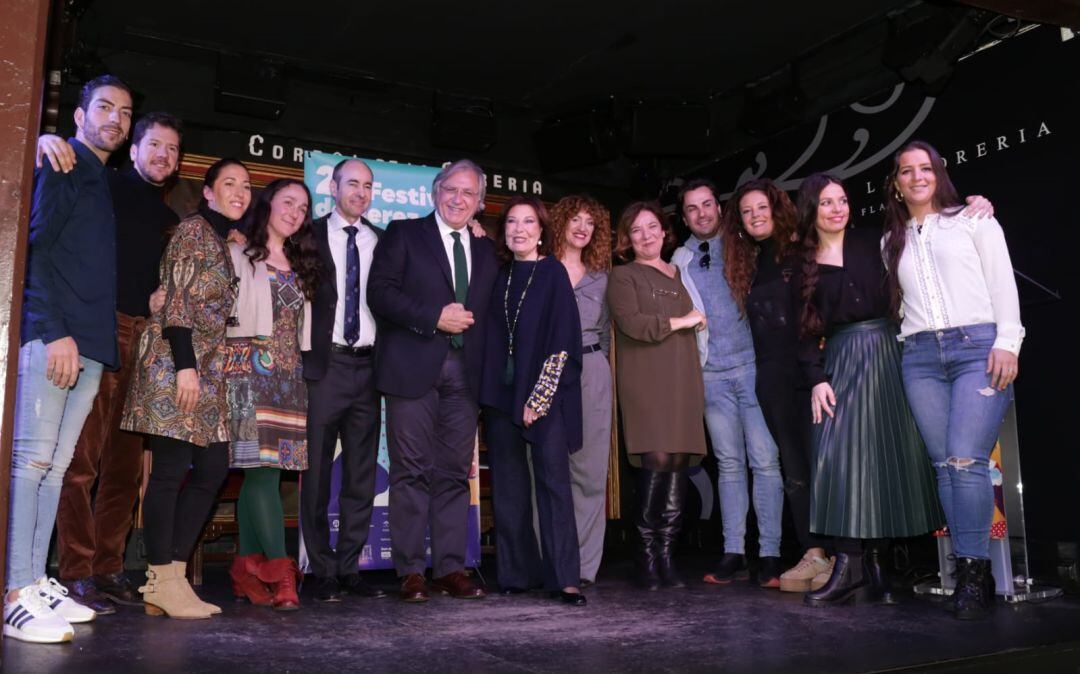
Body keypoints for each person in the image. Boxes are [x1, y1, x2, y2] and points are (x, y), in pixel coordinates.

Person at [35, 112, 183, 615]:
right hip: (102, 330)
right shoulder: (104, 183)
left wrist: (161, 297)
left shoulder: (170, 220)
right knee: (81, 462)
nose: (164, 155)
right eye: (155, 145)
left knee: (123, 467)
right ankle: (74, 571)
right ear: (134, 149)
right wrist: (46, 139)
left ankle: (107, 567)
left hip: (147, 339)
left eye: (173, 150)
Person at [4, 74, 132, 644]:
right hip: (57, 339)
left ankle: (34, 578)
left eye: (125, 113)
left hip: (92, 347)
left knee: (56, 469)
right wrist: (53, 332)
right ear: (78, 116)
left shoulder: (98, 177)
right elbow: (33, 249)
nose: (115, 119)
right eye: (103, 107)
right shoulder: (62, 162)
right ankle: (12, 591)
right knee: (31, 463)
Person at [883, 140, 1023, 619]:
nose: (917, 177)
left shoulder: (974, 220)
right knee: (945, 465)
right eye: (907, 171)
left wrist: (1008, 341)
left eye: (925, 168)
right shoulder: (891, 240)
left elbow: (1002, 280)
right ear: (897, 184)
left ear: (938, 174)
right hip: (919, 355)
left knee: (966, 460)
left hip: (976, 347)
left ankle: (973, 574)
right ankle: (969, 571)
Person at [795, 172, 942, 608]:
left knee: (882, 458)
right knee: (837, 456)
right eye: (826, 202)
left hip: (888, 353)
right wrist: (816, 378)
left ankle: (875, 567)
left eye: (842, 200)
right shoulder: (800, 262)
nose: (837, 208)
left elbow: (927, 228)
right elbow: (801, 332)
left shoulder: (875, 242)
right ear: (811, 209)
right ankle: (849, 562)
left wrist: (974, 206)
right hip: (840, 358)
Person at [120, 158, 249, 619]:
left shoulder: (216, 237)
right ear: (208, 192)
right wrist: (185, 368)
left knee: (214, 466)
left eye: (246, 186)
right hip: (177, 364)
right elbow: (177, 303)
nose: (239, 191)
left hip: (204, 371)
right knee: (172, 470)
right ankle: (159, 577)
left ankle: (171, 575)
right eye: (228, 183)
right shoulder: (194, 231)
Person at [368, 159, 498, 602]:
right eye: (451, 190)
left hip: (468, 376)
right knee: (411, 472)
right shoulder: (403, 234)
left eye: (469, 194)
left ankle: (449, 567)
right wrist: (433, 318)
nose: (458, 199)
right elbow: (380, 293)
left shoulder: (486, 249)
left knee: (453, 475)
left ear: (479, 203)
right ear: (435, 192)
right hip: (411, 369)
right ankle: (409, 571)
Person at [720, 178, 830, 592]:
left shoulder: (804, 248)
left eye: (760, 207)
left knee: (826, 464)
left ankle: (844, 555)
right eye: (746, 212)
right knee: (795, 470)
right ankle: (814, 554)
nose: (754, 216)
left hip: (813, 374)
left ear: (777, 208)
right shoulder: (747, 263)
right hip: (772, 378)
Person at [672, 179, 784, 587]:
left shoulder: (746, 244)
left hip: (754, 368)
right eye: (692, 209)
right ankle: (733, 552)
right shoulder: (681, 258)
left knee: (765, 462)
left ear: (719, 208)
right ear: (683, 216)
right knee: (730, 465)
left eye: (707, 205)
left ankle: (769, 554)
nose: (701, 214)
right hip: (712, 374)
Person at [480, 196, 585, 605]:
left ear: (542, 230)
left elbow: (563, 344)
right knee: (507, 487)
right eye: (511, 222)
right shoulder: (499, 273)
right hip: (500, 396)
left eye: (528, 222)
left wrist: (538, 399)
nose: (519, 229)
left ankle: (565, 579)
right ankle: (516, 573)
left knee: (554, 485)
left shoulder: (553, 272)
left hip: (543, 395)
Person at [225, 179, 318, 611]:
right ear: (269, 204)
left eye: (303, 207)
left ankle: (244, 569)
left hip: (289, 375)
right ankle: (281, 571)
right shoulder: (239, 250)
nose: (295, 212)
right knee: (261, 471)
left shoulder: (302, 260)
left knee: (264, 472)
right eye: (288, 203)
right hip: (247, 368)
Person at [607, 201, 707, 590]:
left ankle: (666, 556)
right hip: (647, 379)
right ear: (627, 240)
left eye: (652, 227)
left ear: (664, 232)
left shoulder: (680, 273)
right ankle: (645, 558)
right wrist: (684, 320)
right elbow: (632, 324)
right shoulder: (623, 276)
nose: (646, 236)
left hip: (683, 377)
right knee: (657, 458)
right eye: (637, 231)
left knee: (679, 462)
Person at [299, 159, 386, 602]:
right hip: (323, 366)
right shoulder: (306, 235)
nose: (360, 192)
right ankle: (322, 569)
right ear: (332, 187)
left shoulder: (381, 241)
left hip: (370, 369)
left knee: (361, 474)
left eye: (368, 186)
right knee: (314, 474)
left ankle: (350, 567)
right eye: (352, 183)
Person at [551, 195, 613, 587]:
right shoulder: (539, 268)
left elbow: (605, 332)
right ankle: (554, 561)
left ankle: (585, 567)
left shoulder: (602, 275)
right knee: (547, 469)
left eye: (590, 222)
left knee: (589, 473)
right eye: (575, 218)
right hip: (546, 371)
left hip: (591, 369)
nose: (582, 227)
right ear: (559, 222)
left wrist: (594, 367)